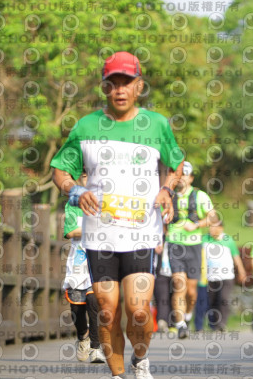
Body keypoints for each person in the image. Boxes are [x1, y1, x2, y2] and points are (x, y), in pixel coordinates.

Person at [51, 51, 184, 379]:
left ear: (139, 86)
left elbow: (176, 161)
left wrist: (167, 188)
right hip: (100, 235)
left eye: (127, 83)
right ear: (104, 87)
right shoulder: (86, 126)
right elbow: (60, 169)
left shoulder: (156, 125)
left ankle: (141, 358)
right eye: (113, 83)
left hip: (141, 232)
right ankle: (119, 375)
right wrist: (75, 190)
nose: (120, 90)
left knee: (138, 311)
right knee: (107, 313)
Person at [165, 161, 215, 339]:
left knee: (192, 290)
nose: (182, 178)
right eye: (179, 175)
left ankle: (187, 316)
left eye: (185, 174)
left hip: (194, 245)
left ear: (192, 177)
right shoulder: (168, 196)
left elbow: (212, 217)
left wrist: (196, 225)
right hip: (174, 244)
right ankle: (180, 325)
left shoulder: (200, 196)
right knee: (179, 284)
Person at [62, 174, 106, 364]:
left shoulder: (105, 202)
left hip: (99, 262)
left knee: (94, 301)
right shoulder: (72, 204)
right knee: (76, 308)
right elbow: (70, 232)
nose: (88, 178)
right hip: (78, 263)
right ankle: (83, 336)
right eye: (84, 175)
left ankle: (96, 348)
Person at [204, 219, 247, 331]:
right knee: (212, 300)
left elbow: (236, 256)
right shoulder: (204, 239)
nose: (212, 229)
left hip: (226, 276)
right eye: (211, 227)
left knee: (224, 299)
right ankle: (213, 323)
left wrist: (241, 271)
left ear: (221, 228)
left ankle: (222, 324)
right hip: (209, 276)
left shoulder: (228, 240)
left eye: (215, 227)